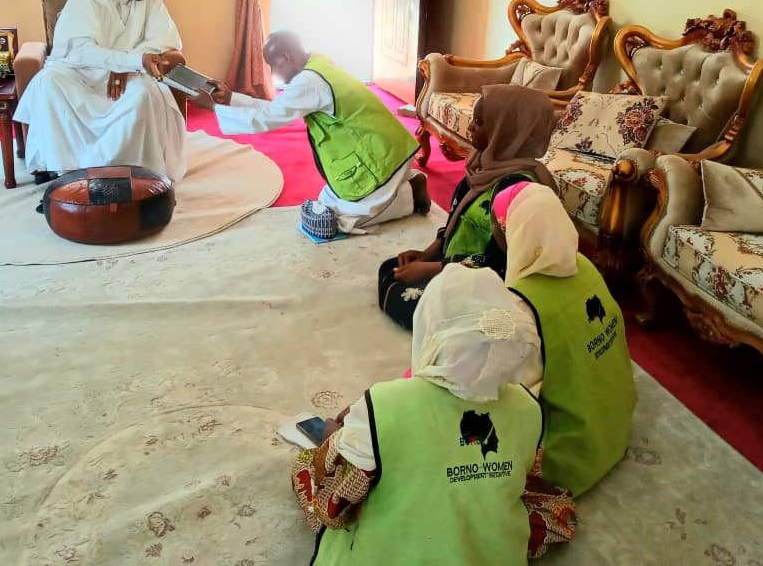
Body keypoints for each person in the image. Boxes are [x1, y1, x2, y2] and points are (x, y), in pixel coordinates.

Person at [290, 264, 575, 564]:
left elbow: (333, 508)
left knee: (308, 466)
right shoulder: (528, 408)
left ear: (429, 327)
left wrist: (332, 440)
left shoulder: (382, 404)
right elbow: (520, 479)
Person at [194, 30, 427, 234]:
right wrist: (232, 99)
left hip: (379, 153)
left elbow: (268, 118)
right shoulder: (318, 64)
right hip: (386, 146)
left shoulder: (308, 82)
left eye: (273, 66)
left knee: (341, 220)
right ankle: (404, 181)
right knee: (325, 203)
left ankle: (409, 193)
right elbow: (278, 108)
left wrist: (212, 107)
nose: (273, 73)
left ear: (286, 57)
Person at [377, 84, 558, 329]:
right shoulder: (481, 169)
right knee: (391, 269)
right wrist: (428, 254)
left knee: (412, 300)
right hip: (452, 265)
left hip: (486, 281)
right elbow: (456, 218)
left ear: (505, 130)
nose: (470, 127)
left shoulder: (521, 193)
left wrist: (433, 269)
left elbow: (500, 262)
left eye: (480, 122)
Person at [497, 181, 637, 497]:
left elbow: (514, 391)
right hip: (614, 428)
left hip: (569, 456)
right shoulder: (584, 265)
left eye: (507, 228)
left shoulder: (522, 304)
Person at [14, 0, 189, 185]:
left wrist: (126, 66)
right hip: (81, 74)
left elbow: (166, 40)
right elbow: (81, 51)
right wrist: (127, 61)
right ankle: (66, 173)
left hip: (130, 75)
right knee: (48, 82)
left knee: (143, 96)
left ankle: (128, 173)